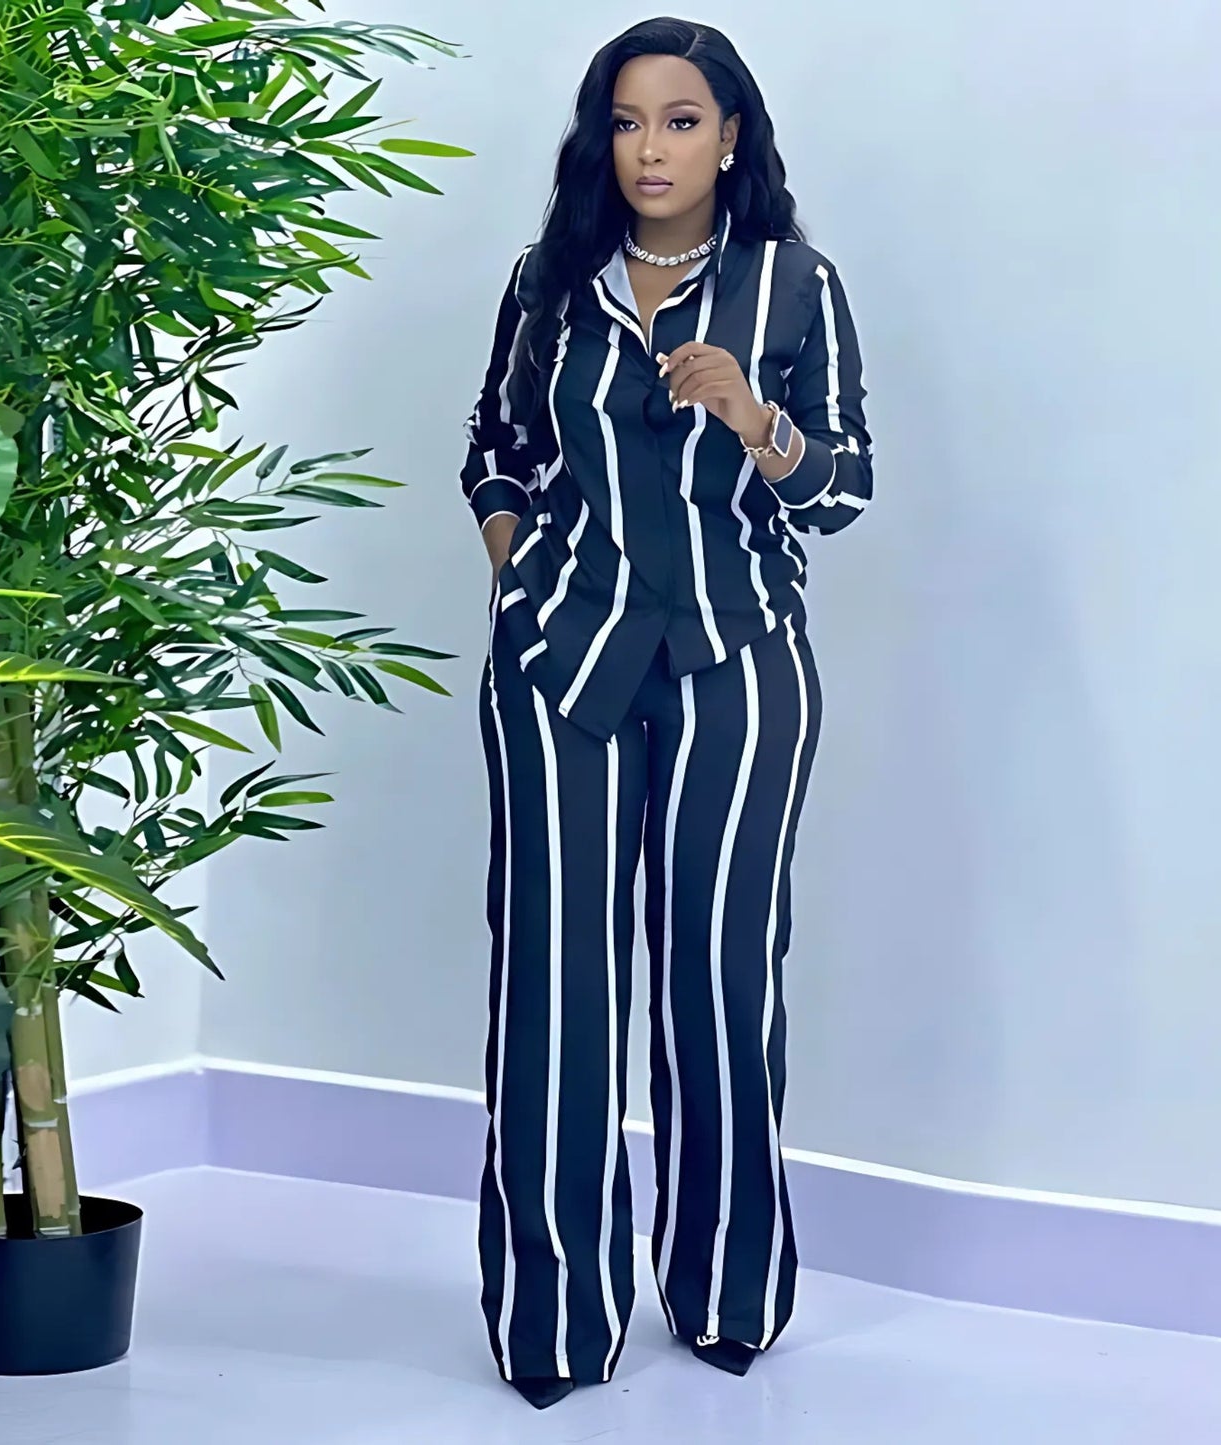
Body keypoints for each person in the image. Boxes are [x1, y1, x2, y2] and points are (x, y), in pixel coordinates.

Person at [459, 16, 873, 1411]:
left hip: (734, 662)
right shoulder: (549, 282)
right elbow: (496, 443)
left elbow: (845, 488)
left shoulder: (794, 285)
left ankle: (726, 1292)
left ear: (730, 138)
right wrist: (517, 567)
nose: (652, 150)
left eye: (681, 121)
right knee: (553, 984)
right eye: (628, 122)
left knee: (720, 975)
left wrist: (757, 421)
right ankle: (553, 1317)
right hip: (559, 667)